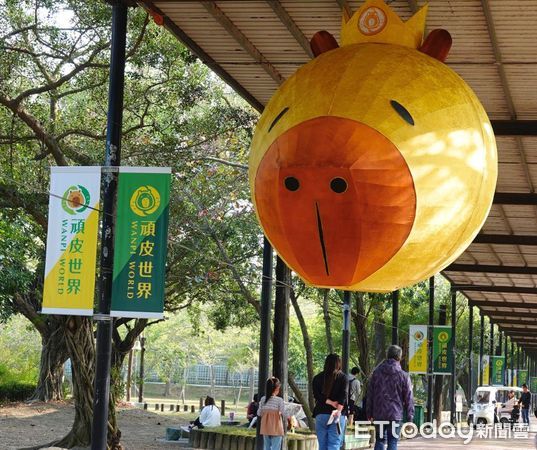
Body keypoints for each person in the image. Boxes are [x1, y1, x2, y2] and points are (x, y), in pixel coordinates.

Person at [366, 345, 414, 450]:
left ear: (387, 356)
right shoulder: (403, 375)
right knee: (393, 441)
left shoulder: (376, 373)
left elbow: (370, 394)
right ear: (399, 357)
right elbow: (409, 397)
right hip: (395, 414)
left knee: (379, 440)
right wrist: (410, 417)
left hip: (379, 413)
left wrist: (369, 413)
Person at [312, 354, 348, 450]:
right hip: (337, 415)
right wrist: (338, 410)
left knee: (322, 445)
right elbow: (343, 396)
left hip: (321, 414)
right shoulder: (343, 377)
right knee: (334, 444)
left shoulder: (317, 378)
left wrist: (330, 402)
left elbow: (317, 396)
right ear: (338, 364)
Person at [258, 377, 285, 450]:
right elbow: (284, 413)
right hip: (276, 428)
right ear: (277, 389)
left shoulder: (263, 399)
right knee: (276, 448)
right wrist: (295, 409)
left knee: (266, 448)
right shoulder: (279, 400)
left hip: (265, 428)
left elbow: (259, 413)